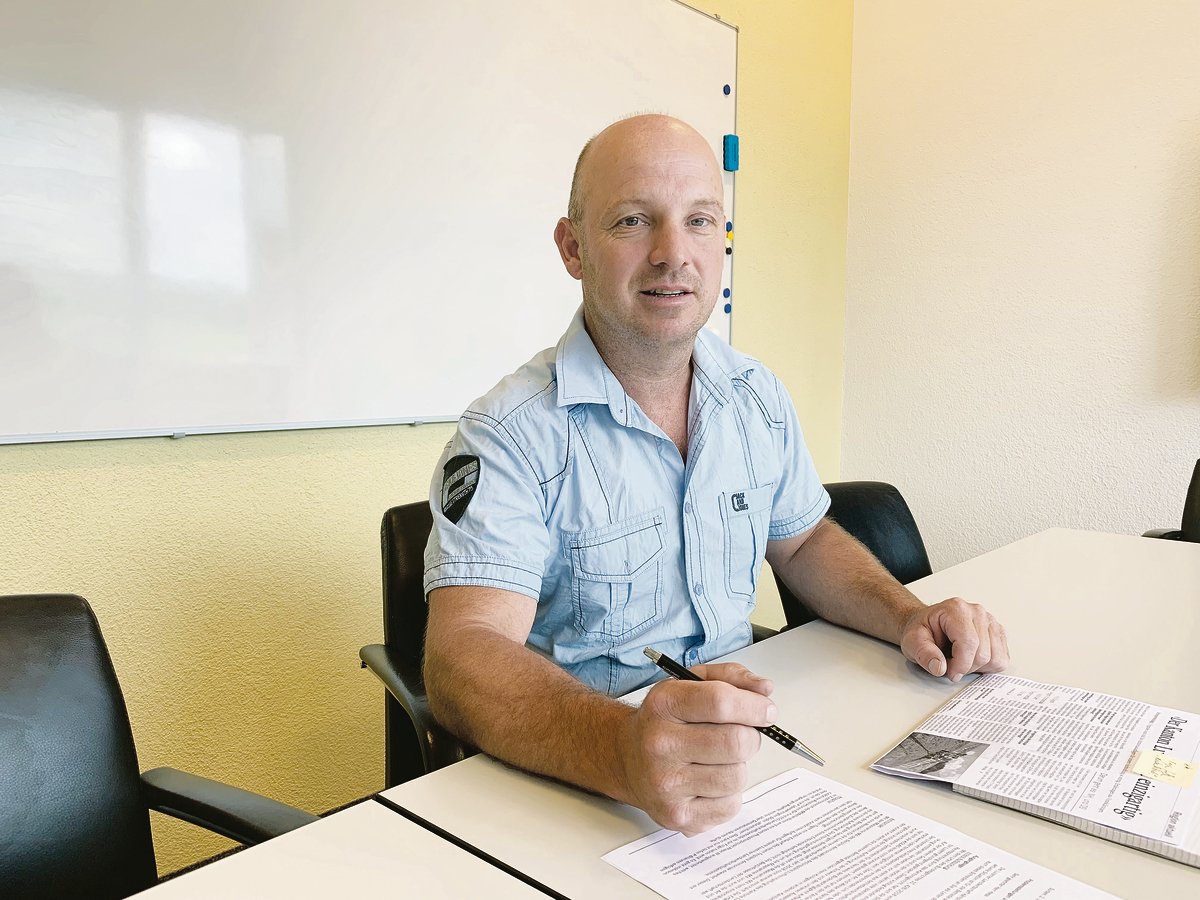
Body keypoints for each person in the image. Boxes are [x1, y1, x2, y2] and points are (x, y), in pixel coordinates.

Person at [422, 114, 1009, 836]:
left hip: (750, 760)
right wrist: (621, 750)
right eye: (633, 220)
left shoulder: (755, 395)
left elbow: (803, 542)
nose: (674, 254)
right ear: (573, 248)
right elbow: (464, 654)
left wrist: (907, 615)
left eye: (700, 221)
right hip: (588, 796)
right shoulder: (510, 434)